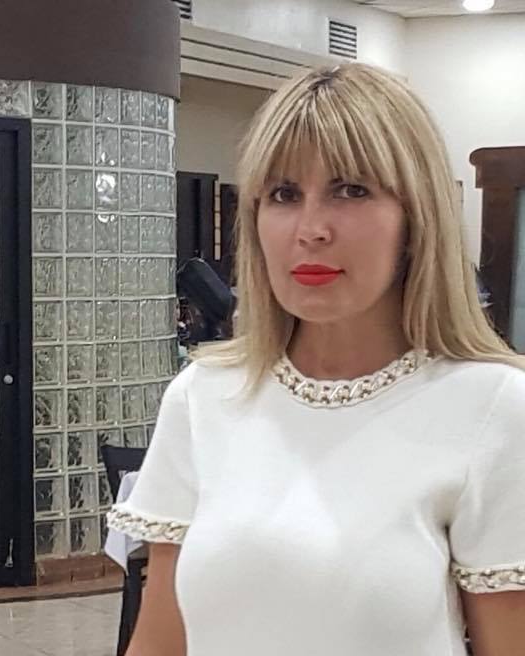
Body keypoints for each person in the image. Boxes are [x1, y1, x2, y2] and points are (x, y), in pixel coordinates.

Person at [108, 63, 525, 655]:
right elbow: (158, 641)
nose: (311, 230)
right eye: (284, 194)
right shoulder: (207, 394)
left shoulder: (492, 408)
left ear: (416, 218)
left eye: (350, 190)